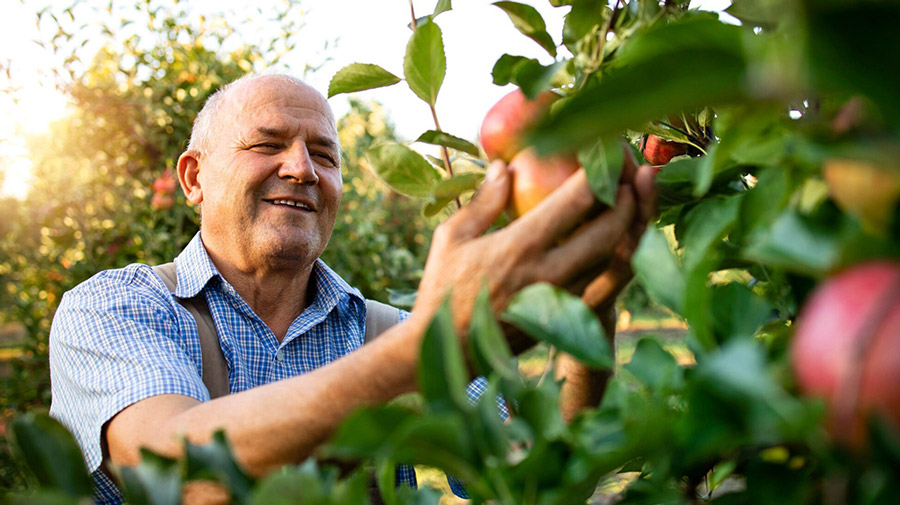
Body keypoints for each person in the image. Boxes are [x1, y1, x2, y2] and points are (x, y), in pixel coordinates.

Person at [48, 73, 657, 504]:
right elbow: (183, 479)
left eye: (324, 155)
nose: (303, 169)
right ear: (193, 176)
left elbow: (539, 482)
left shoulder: (386, 331)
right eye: (267, 144)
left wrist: (592, 309)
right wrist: (427, 350)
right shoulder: (114, 310)